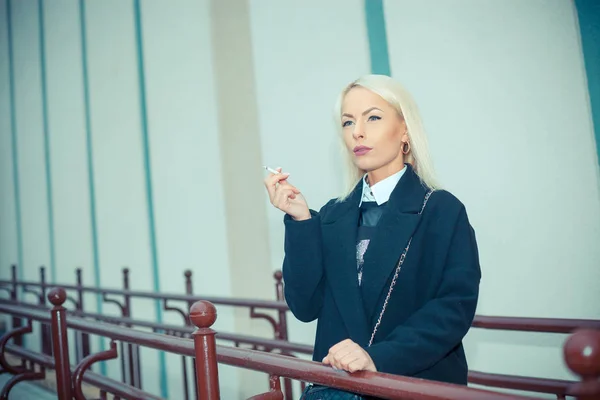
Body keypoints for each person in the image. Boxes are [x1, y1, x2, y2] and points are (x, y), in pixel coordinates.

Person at [263, 75, 481, 395]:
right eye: (348, 122)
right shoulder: (333, 214)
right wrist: (301, 221)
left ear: (405, 129)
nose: (357, 132)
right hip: (338, 388)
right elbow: (305, 307)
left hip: (413, 385)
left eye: (373, 118)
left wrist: (376, 357)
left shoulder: (441, 210)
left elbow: (453, 308)